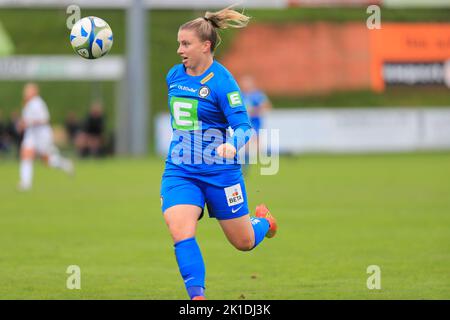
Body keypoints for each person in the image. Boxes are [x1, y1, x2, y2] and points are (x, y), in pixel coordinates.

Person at [160, 7, 278, 300]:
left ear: (205, 46)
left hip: (220, 173)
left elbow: (243, 126)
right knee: (180, 230)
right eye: (178, 43)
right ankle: (197, 298)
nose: (179, 50)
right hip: (181, 170)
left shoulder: (223, 82)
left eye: (185, 44)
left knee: (244, 242)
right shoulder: (174, 76)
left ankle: (265, 221)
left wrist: (232, 145)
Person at [18, 83, 74, 191]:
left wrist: (29, 123)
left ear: (35, 91)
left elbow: (44, 119)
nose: (25, 92)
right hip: (31, 134)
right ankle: (25, 183)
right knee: (26, 154)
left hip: (42, 134)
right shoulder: (27, 103)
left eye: (28, 90)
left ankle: (65, 164)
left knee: (47, 160)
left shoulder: (37, 103)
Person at [239, 75, 272, 173]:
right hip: (244, 123)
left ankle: (246, 164)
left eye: (247, 82)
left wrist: (254, 111)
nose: (245, 85)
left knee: (257, 146)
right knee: (247, 144)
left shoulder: (257, 95)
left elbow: (267, 106)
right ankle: (245, 165)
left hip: (255, 123)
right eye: (243, 83)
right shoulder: (240, 95)